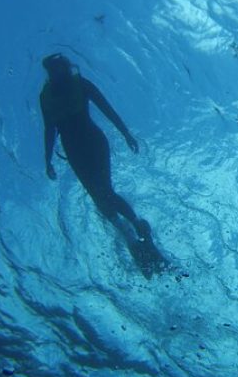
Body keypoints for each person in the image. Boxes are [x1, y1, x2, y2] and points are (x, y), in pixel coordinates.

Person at [39, 53, 154, 244]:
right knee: (97, 197)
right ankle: (128, 236)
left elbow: (107, 109)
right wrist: (47, 159)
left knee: (105, 191)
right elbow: (49, 129)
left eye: (59, 69)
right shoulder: (46, 97)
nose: (56, 74)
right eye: (52, 70)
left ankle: (136, 223)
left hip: (93, 142)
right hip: (74, 151)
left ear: (67, 68)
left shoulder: (82, 85)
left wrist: (126, 134)